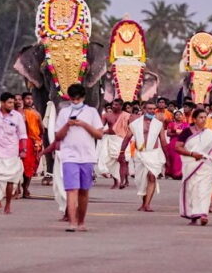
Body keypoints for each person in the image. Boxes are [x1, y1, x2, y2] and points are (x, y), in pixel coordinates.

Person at [54, 83, 103, 232]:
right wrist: (67, 125)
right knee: (71, 189)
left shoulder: (92, 112)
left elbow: (99, 134)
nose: (75, 102)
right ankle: (72, 222)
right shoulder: (64, 112)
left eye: (78, 99)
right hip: (69, 156)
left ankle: (81, 221)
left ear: (83, 98)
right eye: (73, 99)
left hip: (87, 156)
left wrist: (83, 124)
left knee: (83, 190)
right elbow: (58, 136)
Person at [175, 108, 212, 226]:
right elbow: (178, 147)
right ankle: (193, 216)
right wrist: (192, 154)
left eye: (205, 117)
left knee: (205, 189)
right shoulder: (186, 132)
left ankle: (203, 214)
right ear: (194, 119)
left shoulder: (211, 135)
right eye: (200, 117)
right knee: (192, 190)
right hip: (191, 165)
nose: (203, 120)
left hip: (206, 165)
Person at [120, 100, 167, 212]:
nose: (151, 111)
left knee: (151, 176)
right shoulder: (135, 124)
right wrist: (121, 153)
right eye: (149, 108)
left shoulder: (159, 124)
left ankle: (147, 204)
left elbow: (163, 141)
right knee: (141, 181)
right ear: (144, 109)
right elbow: (127, 138)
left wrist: (168, 158)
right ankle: (143, 203)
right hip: (140, 154)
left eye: (153, 109)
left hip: (154, 154)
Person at [97, 98, 131, 189]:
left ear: (121, 106)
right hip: (111, 139)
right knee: (111, 162)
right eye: (113, 104)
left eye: (116, 105)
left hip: (123, 139)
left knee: (123, 160)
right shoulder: (106, 116)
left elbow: (131, 128)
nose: (114, 106)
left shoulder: (127, 116)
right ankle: (116, 181)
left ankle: (123, 181)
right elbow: (101, 126)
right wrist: (100, 132)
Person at [18, 92, 43, 198]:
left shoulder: (36, 113)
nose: (29, 101)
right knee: (20, 166)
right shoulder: (18, 113)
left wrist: (39, 141)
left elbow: (41, 129)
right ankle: (18, 187)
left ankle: (25, 188)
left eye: (31, 99)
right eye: (27, 98)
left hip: (33, 142)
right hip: (22, 141)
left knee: (31, 166)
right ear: (23, 100)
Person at [165, 110, 189, 179]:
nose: (178, 116)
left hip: (183, 143)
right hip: (174, 142)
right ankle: (172, 173)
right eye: (177, 115)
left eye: (180, 114)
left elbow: (189, 133)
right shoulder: (171, 124)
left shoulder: (186, 124)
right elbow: (168, 133)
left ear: (182, 116)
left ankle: (180, 174)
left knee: (181, 158)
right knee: (173, 157)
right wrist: (176, 133)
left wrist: (183, 134)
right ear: (174, 116)